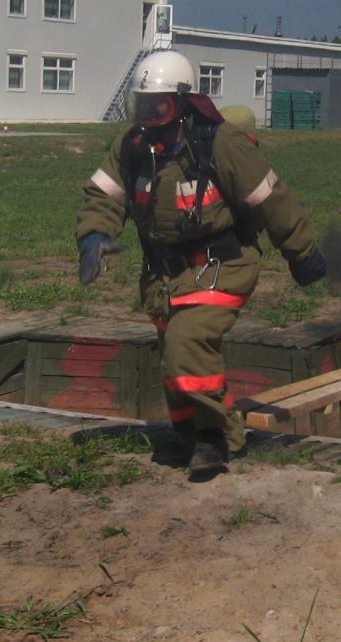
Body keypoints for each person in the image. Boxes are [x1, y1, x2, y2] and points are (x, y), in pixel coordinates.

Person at [76, 50, 325, 477]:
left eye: (160, 107)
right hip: (163, 278)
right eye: (142, 107)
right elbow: (104, 194)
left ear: (183, 102)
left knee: (185, 345)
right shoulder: (132, 146)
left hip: (221, 266)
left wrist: (302, 253)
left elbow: (270, 199)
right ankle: (190, 436)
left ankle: (218, 438)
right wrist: (94, 236)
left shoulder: (219, 143)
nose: (150, 117)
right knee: (174, 366)